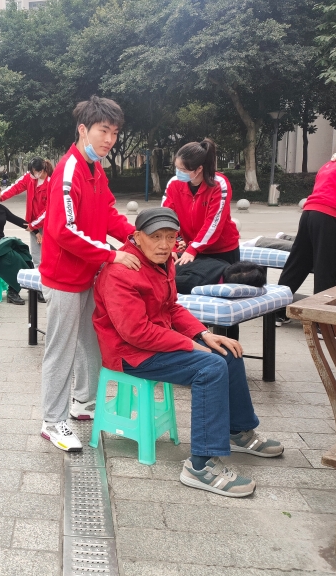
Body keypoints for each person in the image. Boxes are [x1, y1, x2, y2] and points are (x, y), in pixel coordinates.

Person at [93, 208, 283, 497]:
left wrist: (204, 334)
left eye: (170, 237)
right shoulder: (121, 272)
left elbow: (171, 307)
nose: (164, 245)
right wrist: (190, 344)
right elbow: (135, 332)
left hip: (156, 342)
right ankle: (200, 465)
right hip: (129, 353)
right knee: (210, 367)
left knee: (227, 352)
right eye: (156, 237)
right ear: (137, 237)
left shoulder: (164, 262)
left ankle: (238, 430)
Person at [39, 96, 138, 452]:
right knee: (61, 349)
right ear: (83, 130)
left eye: (114, 132)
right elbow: (63, 230)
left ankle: (83, 402)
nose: (109, 139)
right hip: (64, 278)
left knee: (90, 342)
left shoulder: (96, 169)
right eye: (103, 131)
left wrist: (136, 237)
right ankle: (52, 421)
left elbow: (108, 213)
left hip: (88, 273)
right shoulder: (69, 170)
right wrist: (112, 255)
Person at [276, 137, 336, 325]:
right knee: (326, 267)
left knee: (298, 263)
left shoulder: (330, 164)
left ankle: (277, 311)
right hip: (329, 215)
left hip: (309, 213)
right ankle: (323, 323)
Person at [161, 138, 241, 267]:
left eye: (183, 170)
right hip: (190, 247)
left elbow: (214, 223)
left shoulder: (218, 184)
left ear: (199, 169)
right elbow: (165, 217)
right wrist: (172, 246)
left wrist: (194, 248)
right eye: (177, 168)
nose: (179, 173)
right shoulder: (174, 183)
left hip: (221, 250)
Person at [0, 157, 52, 268]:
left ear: (42, 170)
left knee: (49, 254)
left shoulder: (51, 182)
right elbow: (15, 187)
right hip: (33, 223)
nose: (32, 174)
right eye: (31, 172)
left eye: (34, 172)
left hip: (48, 224)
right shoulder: (30, 177)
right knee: (36, 256)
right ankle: (38, 275)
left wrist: (33, 225)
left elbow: (49, 209)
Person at [0, 182, 30, 305]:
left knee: (24, 253)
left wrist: (35, 230)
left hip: (2, 245)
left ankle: (32, 288)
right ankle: (12, 292)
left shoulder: (1, 209)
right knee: (14, 258)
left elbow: (16, 220)